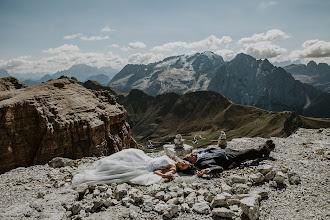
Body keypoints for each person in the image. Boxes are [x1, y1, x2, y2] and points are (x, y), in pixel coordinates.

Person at [72, 148, 191, 186]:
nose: (183, 163)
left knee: (119, 168)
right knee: (129, 153)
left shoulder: (173, 168)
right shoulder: (174, 161)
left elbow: (158, 173)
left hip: (144, 167)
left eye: (184, 166)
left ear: (181, 169)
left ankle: (97, 174)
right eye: (185, 162)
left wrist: (165, 175)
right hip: (145, 159)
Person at [184, 140, 275, 177]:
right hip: (230, 158)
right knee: (249, 151)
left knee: (247, 156)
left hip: (227, 151)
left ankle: (260, 154)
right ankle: (265, 149)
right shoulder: (203, 164)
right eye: (191, 156)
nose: (192, 154)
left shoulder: (199, 154)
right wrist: (207, 170)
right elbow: (220, 169)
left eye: (190, 154)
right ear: (192, 162)